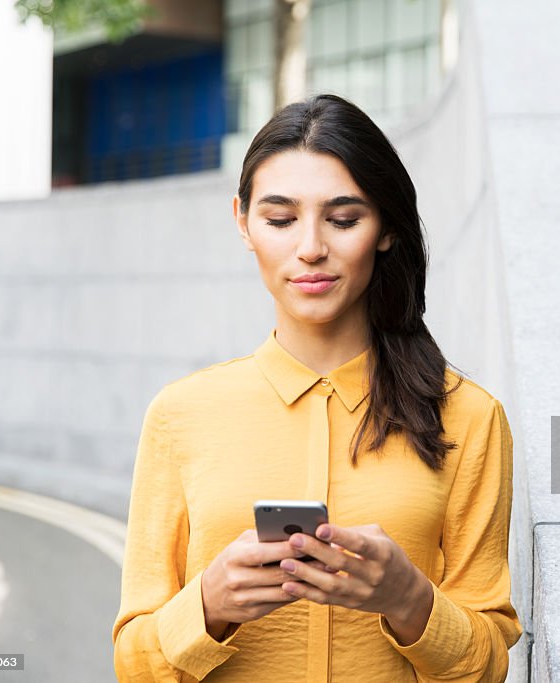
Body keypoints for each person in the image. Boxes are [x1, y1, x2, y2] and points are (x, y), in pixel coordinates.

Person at [111, 94, 522, 681]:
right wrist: (208, 607)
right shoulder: (182, 414)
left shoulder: (469, 416)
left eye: (344, 218)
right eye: (280, 219)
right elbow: (132, 662)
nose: (310, 247)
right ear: (243, 223)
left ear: (384, 229)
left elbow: (487, 667)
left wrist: (410, 600)